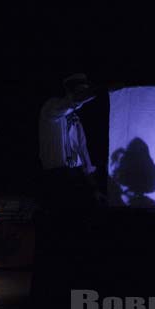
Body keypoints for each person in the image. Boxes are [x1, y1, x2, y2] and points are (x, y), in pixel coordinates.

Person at [38, 73, 104, 219]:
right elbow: (68, 104)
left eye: (85, 91)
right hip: (57, 177)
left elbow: (82, 150)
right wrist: (99, 90)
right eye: (81, 91)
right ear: (69, 92)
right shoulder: (51, 107)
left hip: (76, 176)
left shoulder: (75, 119)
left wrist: (93, 187)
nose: (84, 95)